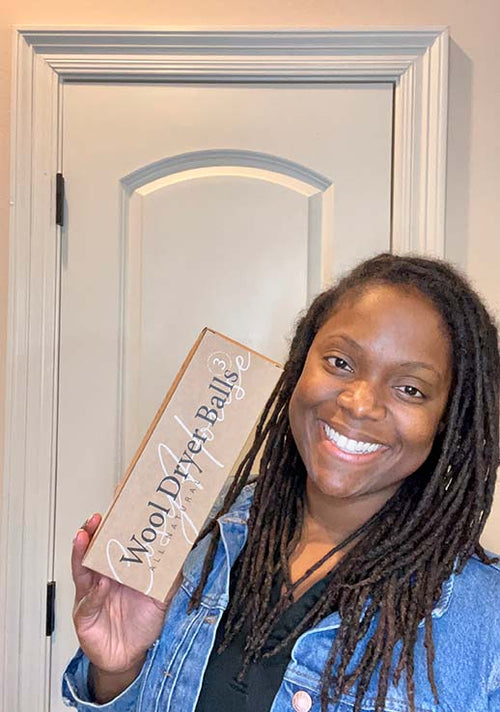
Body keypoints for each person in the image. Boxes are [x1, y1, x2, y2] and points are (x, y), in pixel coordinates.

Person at [63, 253, 500, 712]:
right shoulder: (195, 531)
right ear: (300, 363)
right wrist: (116, 670)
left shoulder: (486, 621)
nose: (358, 403)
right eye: (340, 362)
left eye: (410, 388)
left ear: (449, 420)